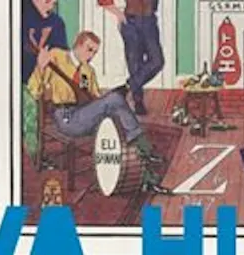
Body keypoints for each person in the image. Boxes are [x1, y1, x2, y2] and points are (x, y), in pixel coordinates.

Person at [26, 30, 169, 194]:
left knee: (118, 121)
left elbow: (94, 100)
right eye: (89, 49)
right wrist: (40, 67)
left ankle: (145, 176)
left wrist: (104, 102)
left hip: (84, 115)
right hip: (66, 118)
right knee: (115, 101)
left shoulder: (88, 72)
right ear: (78, 45)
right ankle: (145, 149)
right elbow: (34, 90)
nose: (92, 55)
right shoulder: (56, 57)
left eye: (94, 52)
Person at [98, 0, 163, 116]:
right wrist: (118, 14)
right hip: (131, 22)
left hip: (149, 21)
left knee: (157, 61)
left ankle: (127, 87)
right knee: (134, 64)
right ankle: (138, 102)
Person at [22, 0, 68, 85]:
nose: (51, 6)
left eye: (54, 3)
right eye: (47, 1)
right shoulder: (17, 15)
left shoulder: (57, 23)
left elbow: (61, 60)